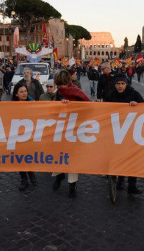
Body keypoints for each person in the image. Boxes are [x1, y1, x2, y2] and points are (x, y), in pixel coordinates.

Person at [51, 69, 90, 198]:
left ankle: (72, 185)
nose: (60, 87)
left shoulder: (78, 93)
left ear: (67, 83)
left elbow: (88, 107)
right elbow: (54, 109)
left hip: (75, 129)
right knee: (59, 154)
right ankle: (59, 175)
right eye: (58, 85)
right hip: (61, 128)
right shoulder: (59, 93)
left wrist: (71, 106)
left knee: (73, 157)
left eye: (62, 85)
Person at [104, 74, 144, 195]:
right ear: (114, 84)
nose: (120, 86)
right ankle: (120, 179)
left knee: (132, 159)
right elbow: (103, 109)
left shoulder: (134, 94)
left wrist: (136, 105)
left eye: (122, 84)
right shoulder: (110, 95)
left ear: (126, 84)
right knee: (119, 157)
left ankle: (132, 185)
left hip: (131, 131)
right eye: (118, 84)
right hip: (115, 131)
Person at [10, 82, 38, 190]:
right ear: (16, 94)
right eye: (21, 92)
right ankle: (23, 179)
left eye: (25, 91)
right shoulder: (11, 105)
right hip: (17, 135)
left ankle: (31, 173)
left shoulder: (33, 103)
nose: (24, 93)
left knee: (28, 156)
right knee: (20, 157)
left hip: (29, 135)